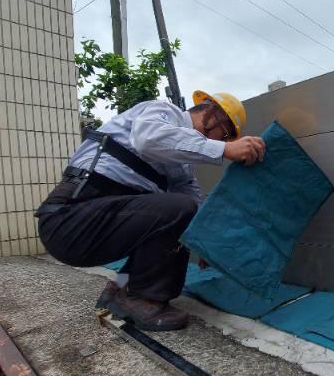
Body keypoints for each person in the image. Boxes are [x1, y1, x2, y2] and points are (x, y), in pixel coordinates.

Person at [36, 91, 265, 331]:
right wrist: (224, 150)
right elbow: (149, 140)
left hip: (95, 220)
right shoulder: (164, 112)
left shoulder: (181, 167)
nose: (226, 141)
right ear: (212, 115)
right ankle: (141, 298)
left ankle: (118, 287)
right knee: (178, 208)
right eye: (226, 135)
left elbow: (193, 203)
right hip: (70, 218)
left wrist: (203, 243)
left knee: (181, 213)